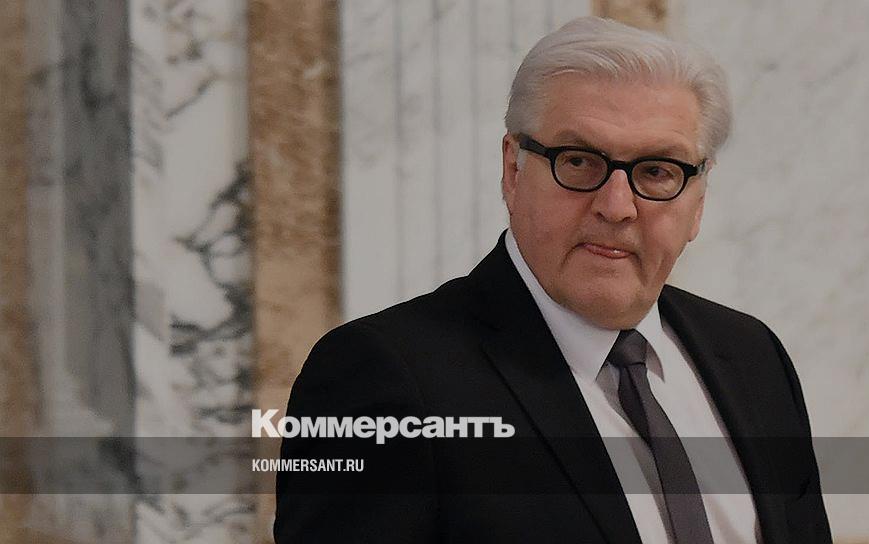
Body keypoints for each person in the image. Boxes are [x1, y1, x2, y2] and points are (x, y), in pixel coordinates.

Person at [275, 16, 831, 544]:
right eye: (579, 161)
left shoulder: (752, 356)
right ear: (512, 170)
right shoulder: (379, 377)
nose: (617, 207)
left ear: (698, 199)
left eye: (658, 171)